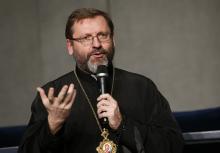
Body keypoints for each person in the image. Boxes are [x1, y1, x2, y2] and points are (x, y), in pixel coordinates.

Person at [18, 8, 184, 153]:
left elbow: (174, 145)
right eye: (86, 38)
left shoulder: (142, 87)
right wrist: (52, 125)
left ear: (113, 39)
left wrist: (123, 124)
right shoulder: (52, 96)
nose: (96, 44)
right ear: (70, 46)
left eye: (102, 35)